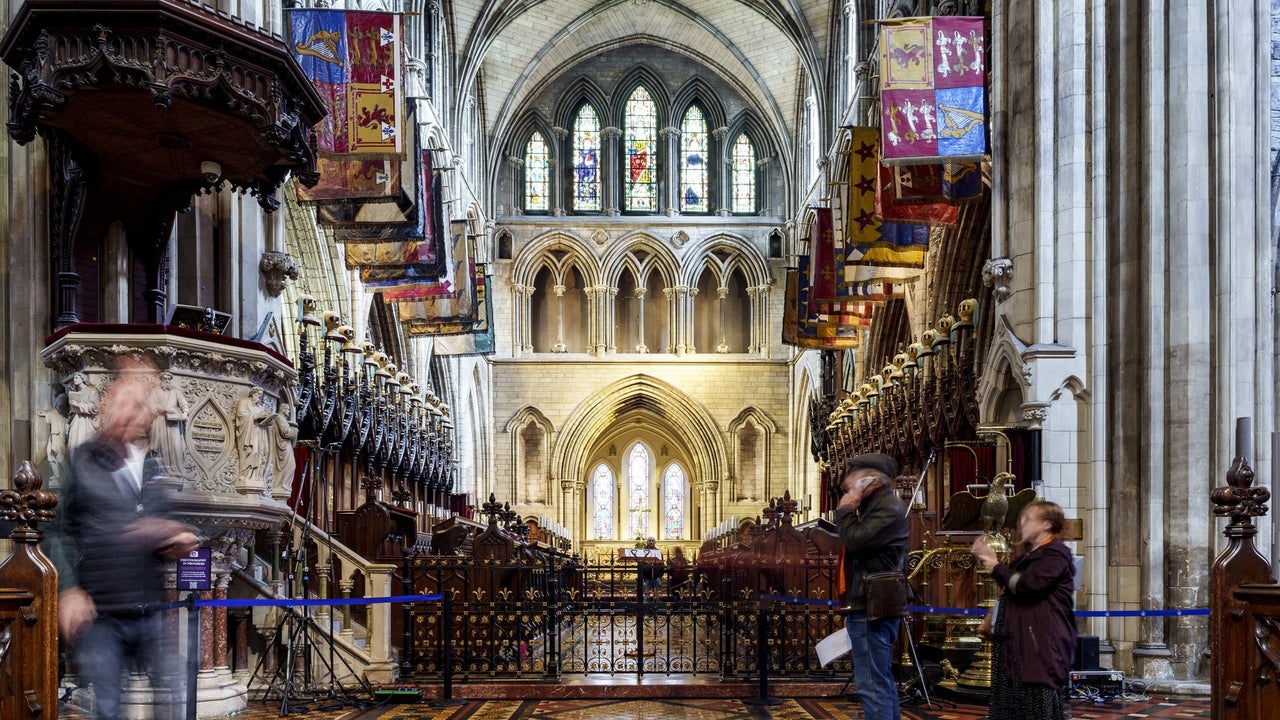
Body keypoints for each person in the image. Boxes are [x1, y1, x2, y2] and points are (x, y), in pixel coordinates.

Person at [47, 363, 200, 720]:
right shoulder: (84, 461)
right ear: (107, 406)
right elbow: (59, 531)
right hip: (101, 615)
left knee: (175, 699)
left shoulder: (154, 468)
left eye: (137, 406)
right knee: (108, 710)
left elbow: (162, 532)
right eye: (123, 403)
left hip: (148, 610)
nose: (128, 413)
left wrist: (175, 541)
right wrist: (69, 589)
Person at [971, 501, 1077, 720]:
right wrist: (992, 618)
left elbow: (1029, 585)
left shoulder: (1055, 553)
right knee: (1011, 705)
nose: (1021, 523)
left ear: (1047, 524)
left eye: (1028, 519)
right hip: (1017, 643)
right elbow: (1011, 591)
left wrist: (996, 566)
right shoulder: (1027, 556)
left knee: (1036, 706)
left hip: (1040, 645)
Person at [835, 453, 908, 720]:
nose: (847, 484)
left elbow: (855, 540)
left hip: (872, 607)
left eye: (853, 478)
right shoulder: (877, 506)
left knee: (872, 686)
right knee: (879, 681)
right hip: (870, 602)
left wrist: (845, 510)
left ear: (870, 479)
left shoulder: (887, 507)